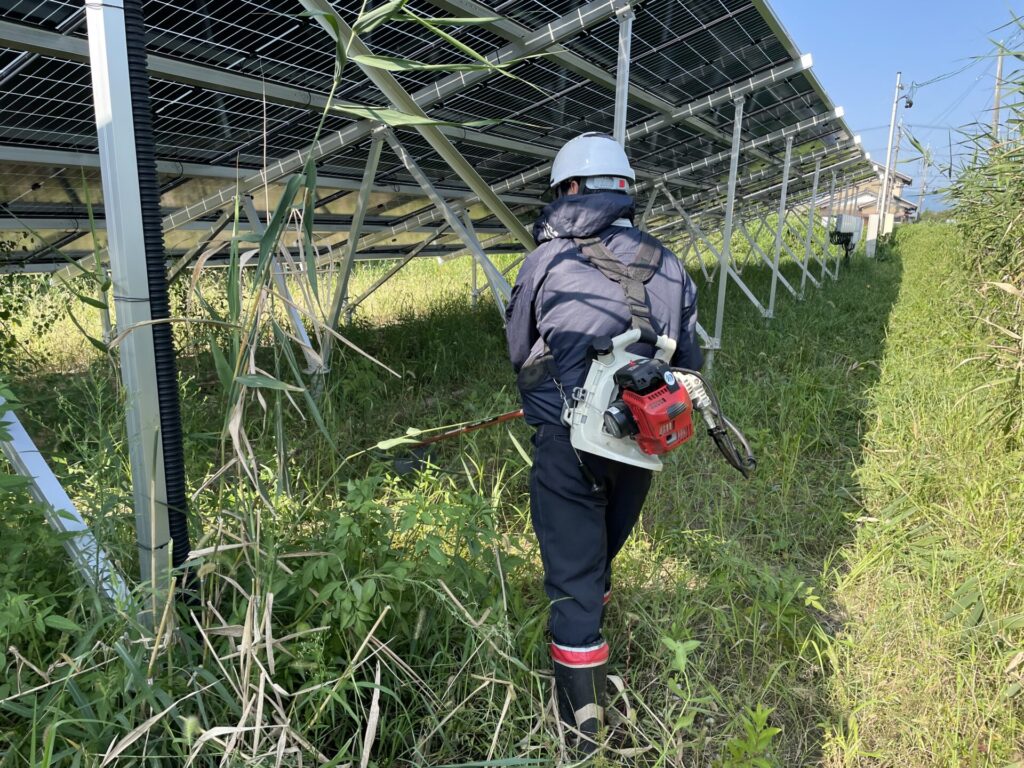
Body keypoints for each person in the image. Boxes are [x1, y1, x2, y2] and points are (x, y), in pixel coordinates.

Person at [505, 133, 702, 755]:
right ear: (623, 190)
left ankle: (581, 734)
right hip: (641, 441)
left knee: (572, 578)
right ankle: (594, 627)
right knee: (601, 551)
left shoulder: (545, 261)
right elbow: (691, 363)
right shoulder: (669, 263)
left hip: (569, 442)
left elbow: (518, 348)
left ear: (567, 191)